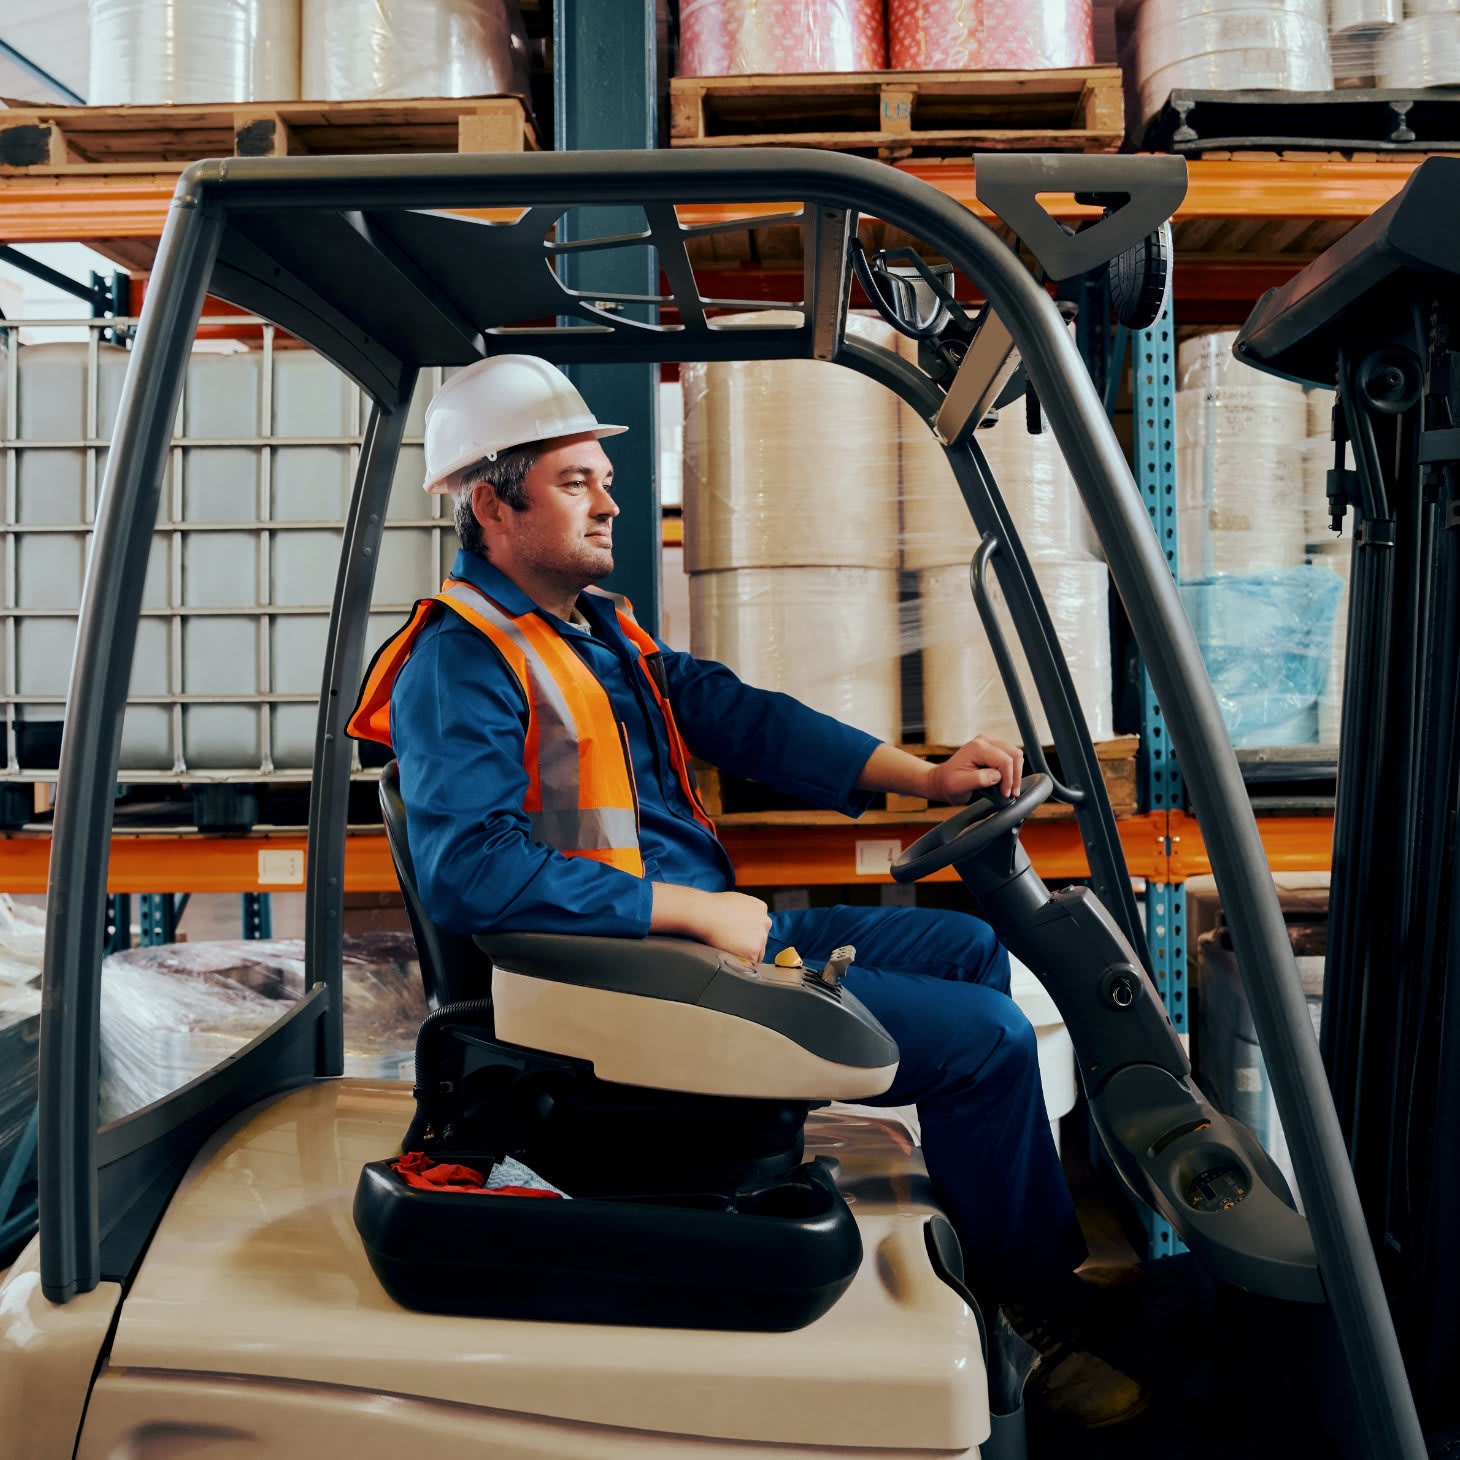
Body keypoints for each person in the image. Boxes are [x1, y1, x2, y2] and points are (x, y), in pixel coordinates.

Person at [350, 355, 1145, 1428]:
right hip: (624, 971)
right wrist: (686, 909)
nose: (609, 498)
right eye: (576, 480)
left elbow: (737, 712)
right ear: (493, 503)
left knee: (965, 953)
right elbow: (468, 870)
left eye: (603, 478)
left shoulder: (595, 629)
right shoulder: (465, 657)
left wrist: (921, 775)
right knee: (987, 1040)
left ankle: (984, 1246)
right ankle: (1034, 1303)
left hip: (691, 941)